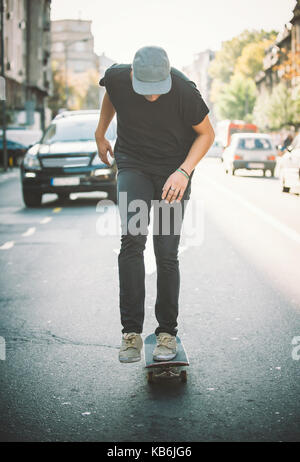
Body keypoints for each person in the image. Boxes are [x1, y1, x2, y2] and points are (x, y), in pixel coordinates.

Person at [95, 46, 215, 363]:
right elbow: (111, 97)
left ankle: (166, 333)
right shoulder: (118, 78)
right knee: (132, 240)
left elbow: (207, 134)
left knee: (165, 251)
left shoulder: (184, 90)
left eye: (157, 91)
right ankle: (131, 333)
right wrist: (100, 132)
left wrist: (184, 171)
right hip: (133, 164)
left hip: (173, 171)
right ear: (133, 76)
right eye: (145, 90)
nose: (151, 98)